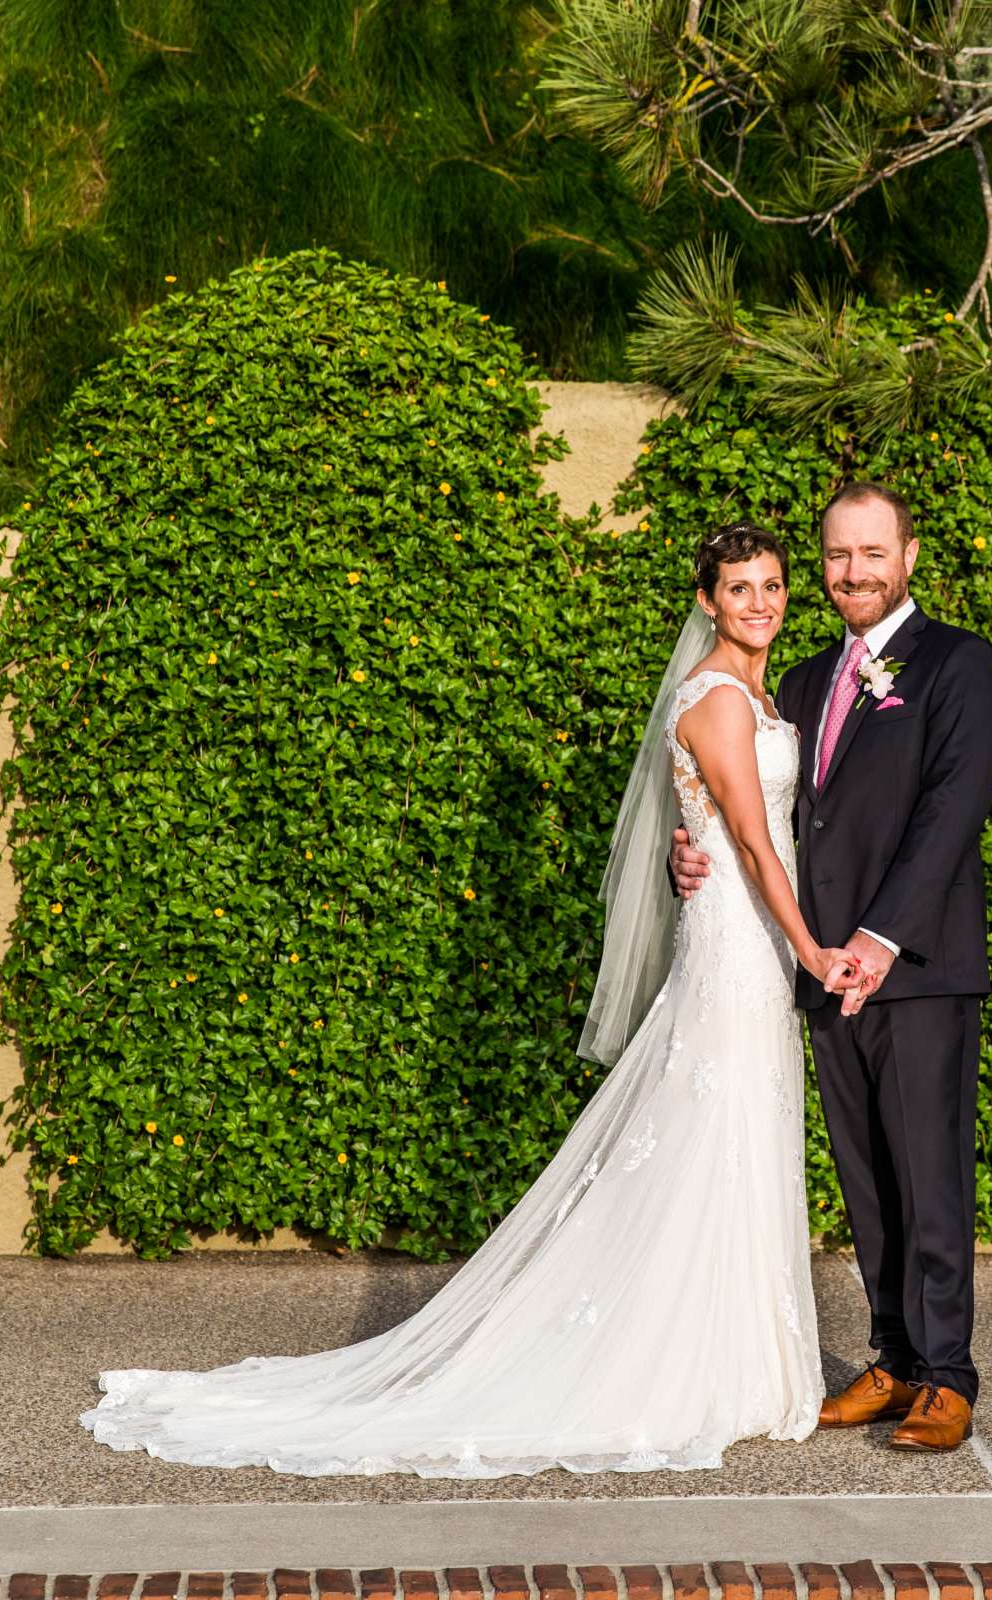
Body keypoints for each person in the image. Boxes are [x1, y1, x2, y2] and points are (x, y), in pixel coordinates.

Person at [77, 521, 861, 1478]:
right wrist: (813, 951)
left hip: (741, 943)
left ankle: (737, 1355)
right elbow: (746, 840)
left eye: (773, 585)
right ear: (707, 602)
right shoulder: (721, 703)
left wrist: (682, 856)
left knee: (734, 1137)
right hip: (742, 948)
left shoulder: (754, 692)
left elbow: (708, 824)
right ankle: (697, 1366)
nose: (761, 602)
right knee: (718, 1133)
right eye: (739, 588)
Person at [670, 480, 992, 1453]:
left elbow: (952, 812)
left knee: (929, 1177)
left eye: (871, 553)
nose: (852, 571)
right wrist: (681, 854)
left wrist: (876, 941)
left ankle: (948, 1375)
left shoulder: (957, 665)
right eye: (838, 556)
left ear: (907, 556)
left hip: (916, 967)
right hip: (822, 976)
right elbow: (746, 810)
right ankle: (895, 1358)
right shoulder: (805, 681)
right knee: (865, 1181)